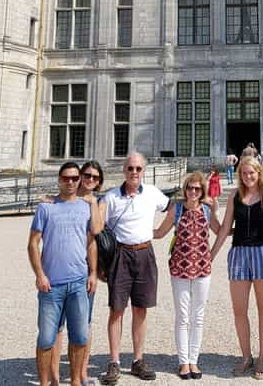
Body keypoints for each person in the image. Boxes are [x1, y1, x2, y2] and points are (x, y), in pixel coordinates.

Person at [99, 153, 170, 384]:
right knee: (117, 309)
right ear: (124, 170)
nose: (134, 172)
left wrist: (160, 232)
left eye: (138, 168)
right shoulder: (110, 197)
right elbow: (95, 226)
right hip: (120, 254)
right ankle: (114, 361)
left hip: (144, 252)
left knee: (141, 309)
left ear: (144, 170)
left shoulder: (152, 193)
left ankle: (138, 359)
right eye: (130, 168)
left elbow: (173, 208)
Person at [28, 162, 98, 386]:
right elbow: (32, 243)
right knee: (46, 339)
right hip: (52, 285)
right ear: (59, 179)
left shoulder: (86, 206)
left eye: (74, 178)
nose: (70, 182)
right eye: (66, 178)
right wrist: (40, 274)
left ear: (79, 181)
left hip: (78, 283)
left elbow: (91, 242)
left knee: (79, 336)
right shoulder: (46, 207)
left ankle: (76, 381)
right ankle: (45, 383)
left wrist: (93, 272)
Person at [211, 156, 263, 380]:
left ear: (259, 173)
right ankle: (246, 356)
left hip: (262, 252)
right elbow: (225, 228)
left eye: (252, 173)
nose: (248, 177)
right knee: (239, 310)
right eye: (244, 173)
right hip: (238, 253)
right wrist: (209, 256)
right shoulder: (234, 196)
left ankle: (262, 358)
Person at [153, 172, 221, 379]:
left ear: (202, 191)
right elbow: (160, 233)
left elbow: (221, 230)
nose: (193, 192)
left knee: (198, 316)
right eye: (190, 188)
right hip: (180, 269)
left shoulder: (208, 210)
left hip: (202, 268)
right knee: (183, 316)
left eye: (197, 189)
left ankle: (194, 360)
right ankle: (183, 362)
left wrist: (251, 228)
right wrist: (132, 230)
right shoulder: (177, 209)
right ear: (185, 189)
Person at [48, 161, 106, 386]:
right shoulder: (62, 198)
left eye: (95, 177)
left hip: (83, 272)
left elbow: (97, 230)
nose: (90, 179)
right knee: (57, 326)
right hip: (60, 271)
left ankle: (80, 374)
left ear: (99, 181)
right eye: (87, 175)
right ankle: (54, 378)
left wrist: (91, 204)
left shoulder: (98, 201)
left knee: (83, 324)